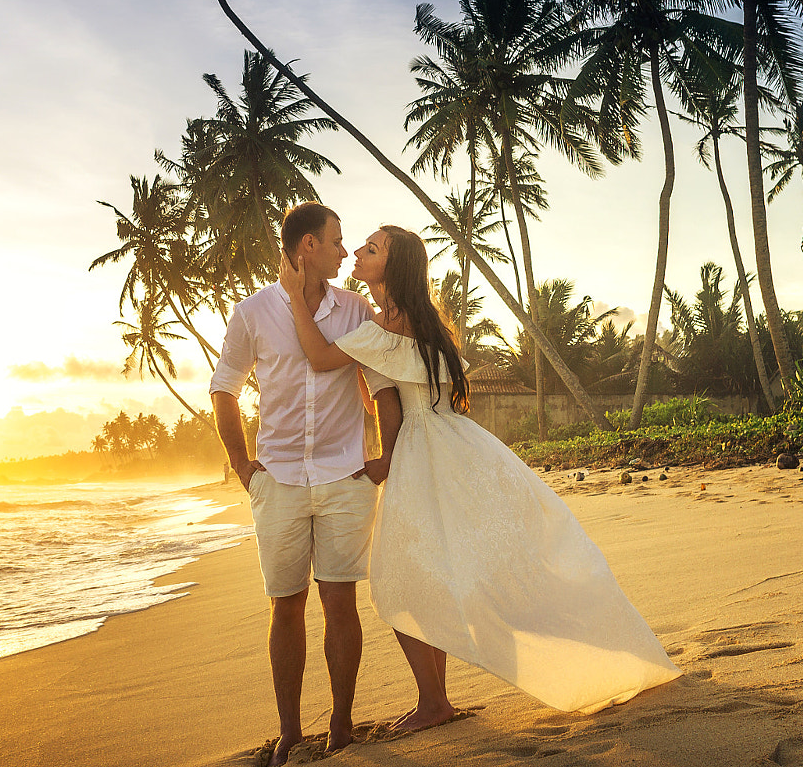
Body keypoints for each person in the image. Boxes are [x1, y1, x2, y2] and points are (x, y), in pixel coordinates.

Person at [278, 224, 681, 731]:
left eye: (371, 248)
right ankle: (440, 698)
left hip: (424, 455)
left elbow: (318, 358)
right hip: (461, 447)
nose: (358, 250)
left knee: (402, 580)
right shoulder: (426, 322)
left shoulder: (387, 326)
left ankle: (434, 703)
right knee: (467, 572)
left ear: (394, 265)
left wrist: (295, 297)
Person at [209, 202, 404, 767]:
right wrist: (243, 466)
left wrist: (384, 458)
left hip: (346, 476)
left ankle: (340, 726)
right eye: (338, 241)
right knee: (285, 605)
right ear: (308, 248)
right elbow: (225, 386)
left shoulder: (356, 310)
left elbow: (383, 385)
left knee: (341, 600)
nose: (346, 252)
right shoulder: (252, 313)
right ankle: (291, 729)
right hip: (280, 480)